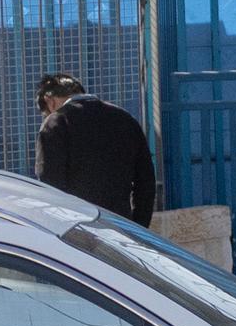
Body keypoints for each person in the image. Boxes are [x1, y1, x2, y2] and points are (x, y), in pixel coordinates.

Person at [33, 71, 159, 222]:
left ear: (49, 101)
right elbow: (146, 181)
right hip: (120, 225)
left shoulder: (56, 123)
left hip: (78, 227)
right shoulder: (125, 119)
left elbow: (50, 184)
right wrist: (138, 225)